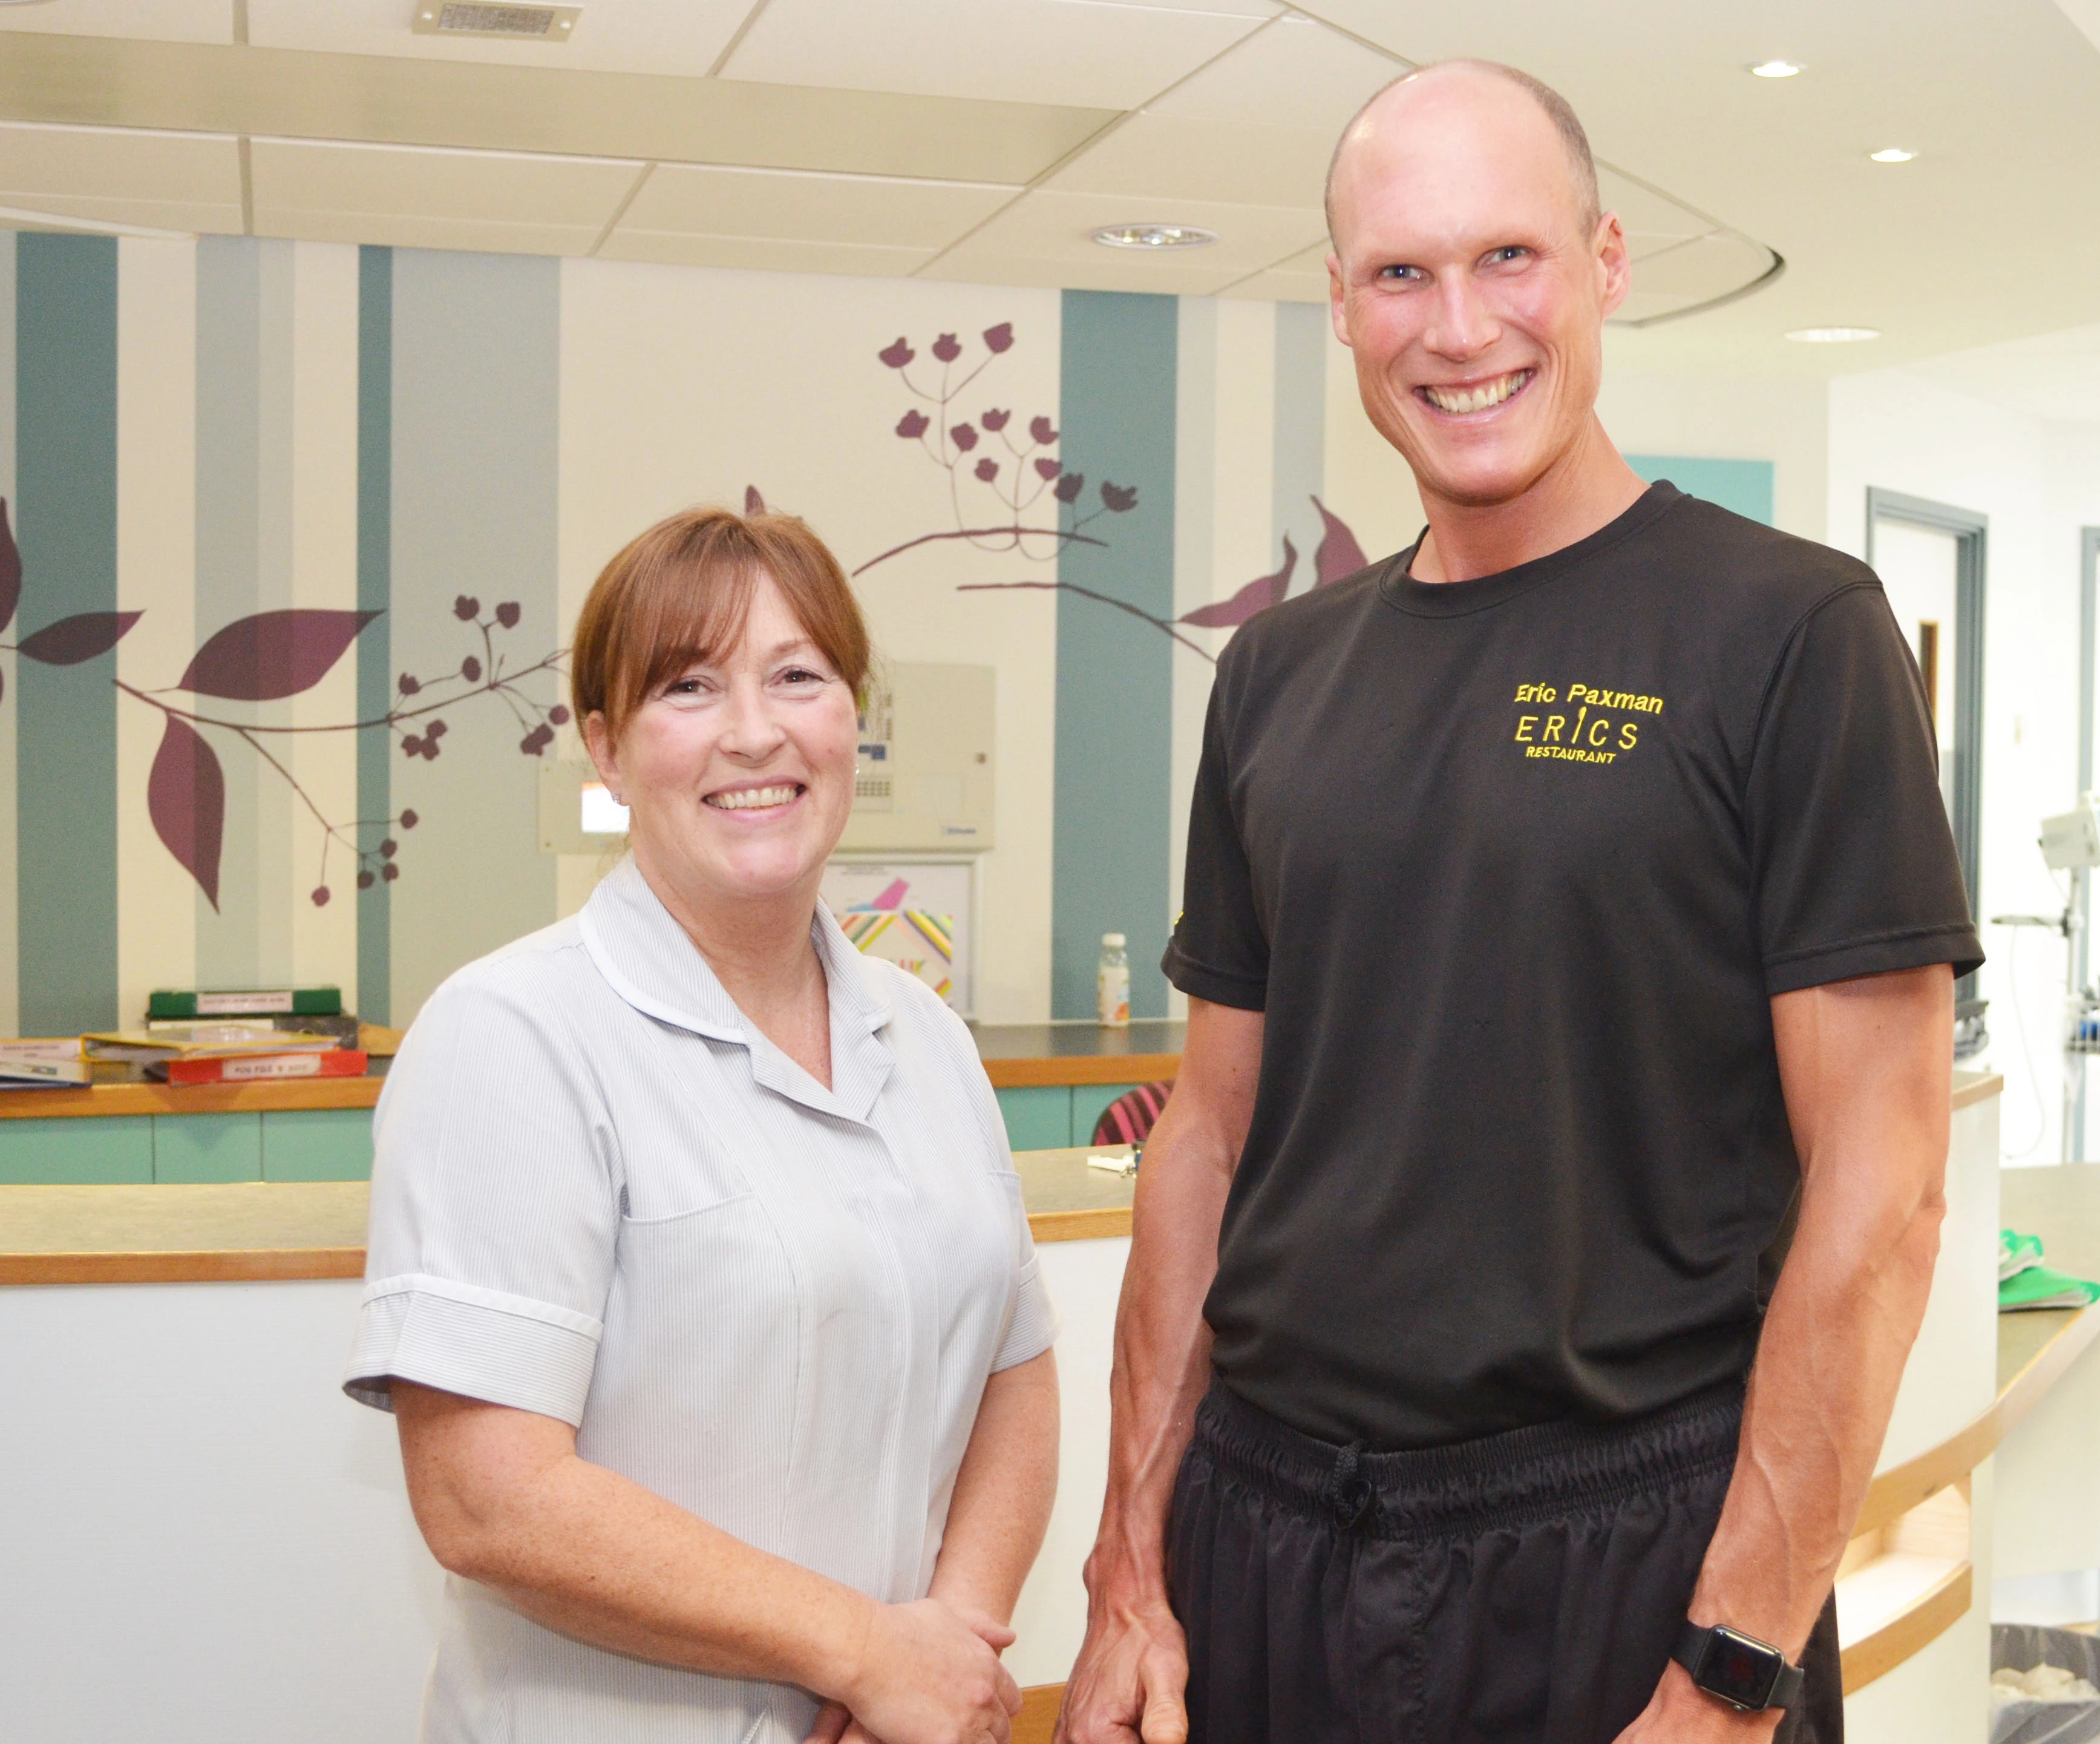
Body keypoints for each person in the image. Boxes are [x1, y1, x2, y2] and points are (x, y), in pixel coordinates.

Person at [1058, 60, 1981, 1744]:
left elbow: (1883, 1191)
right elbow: (1208, 1141)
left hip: (1623, 1553)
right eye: (1400, 273)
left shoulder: (1789, 635)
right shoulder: (1275, 677)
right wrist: (1131, 1563)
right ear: (1341, 304)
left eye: (1508, 257)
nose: (1459, 325)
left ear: (1604, 263)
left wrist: (1730, 1670)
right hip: (1269, 1542)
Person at [344, 507, 1058, 1744]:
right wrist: (863, 1648)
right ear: (607, 750)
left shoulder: (926, 1035)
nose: (753, 730)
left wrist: (942, 1652)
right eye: (689, 686)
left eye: (798, 676)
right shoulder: (512, 1032)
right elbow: (484, 1496)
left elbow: (1015, 1365)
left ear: (852, 718)